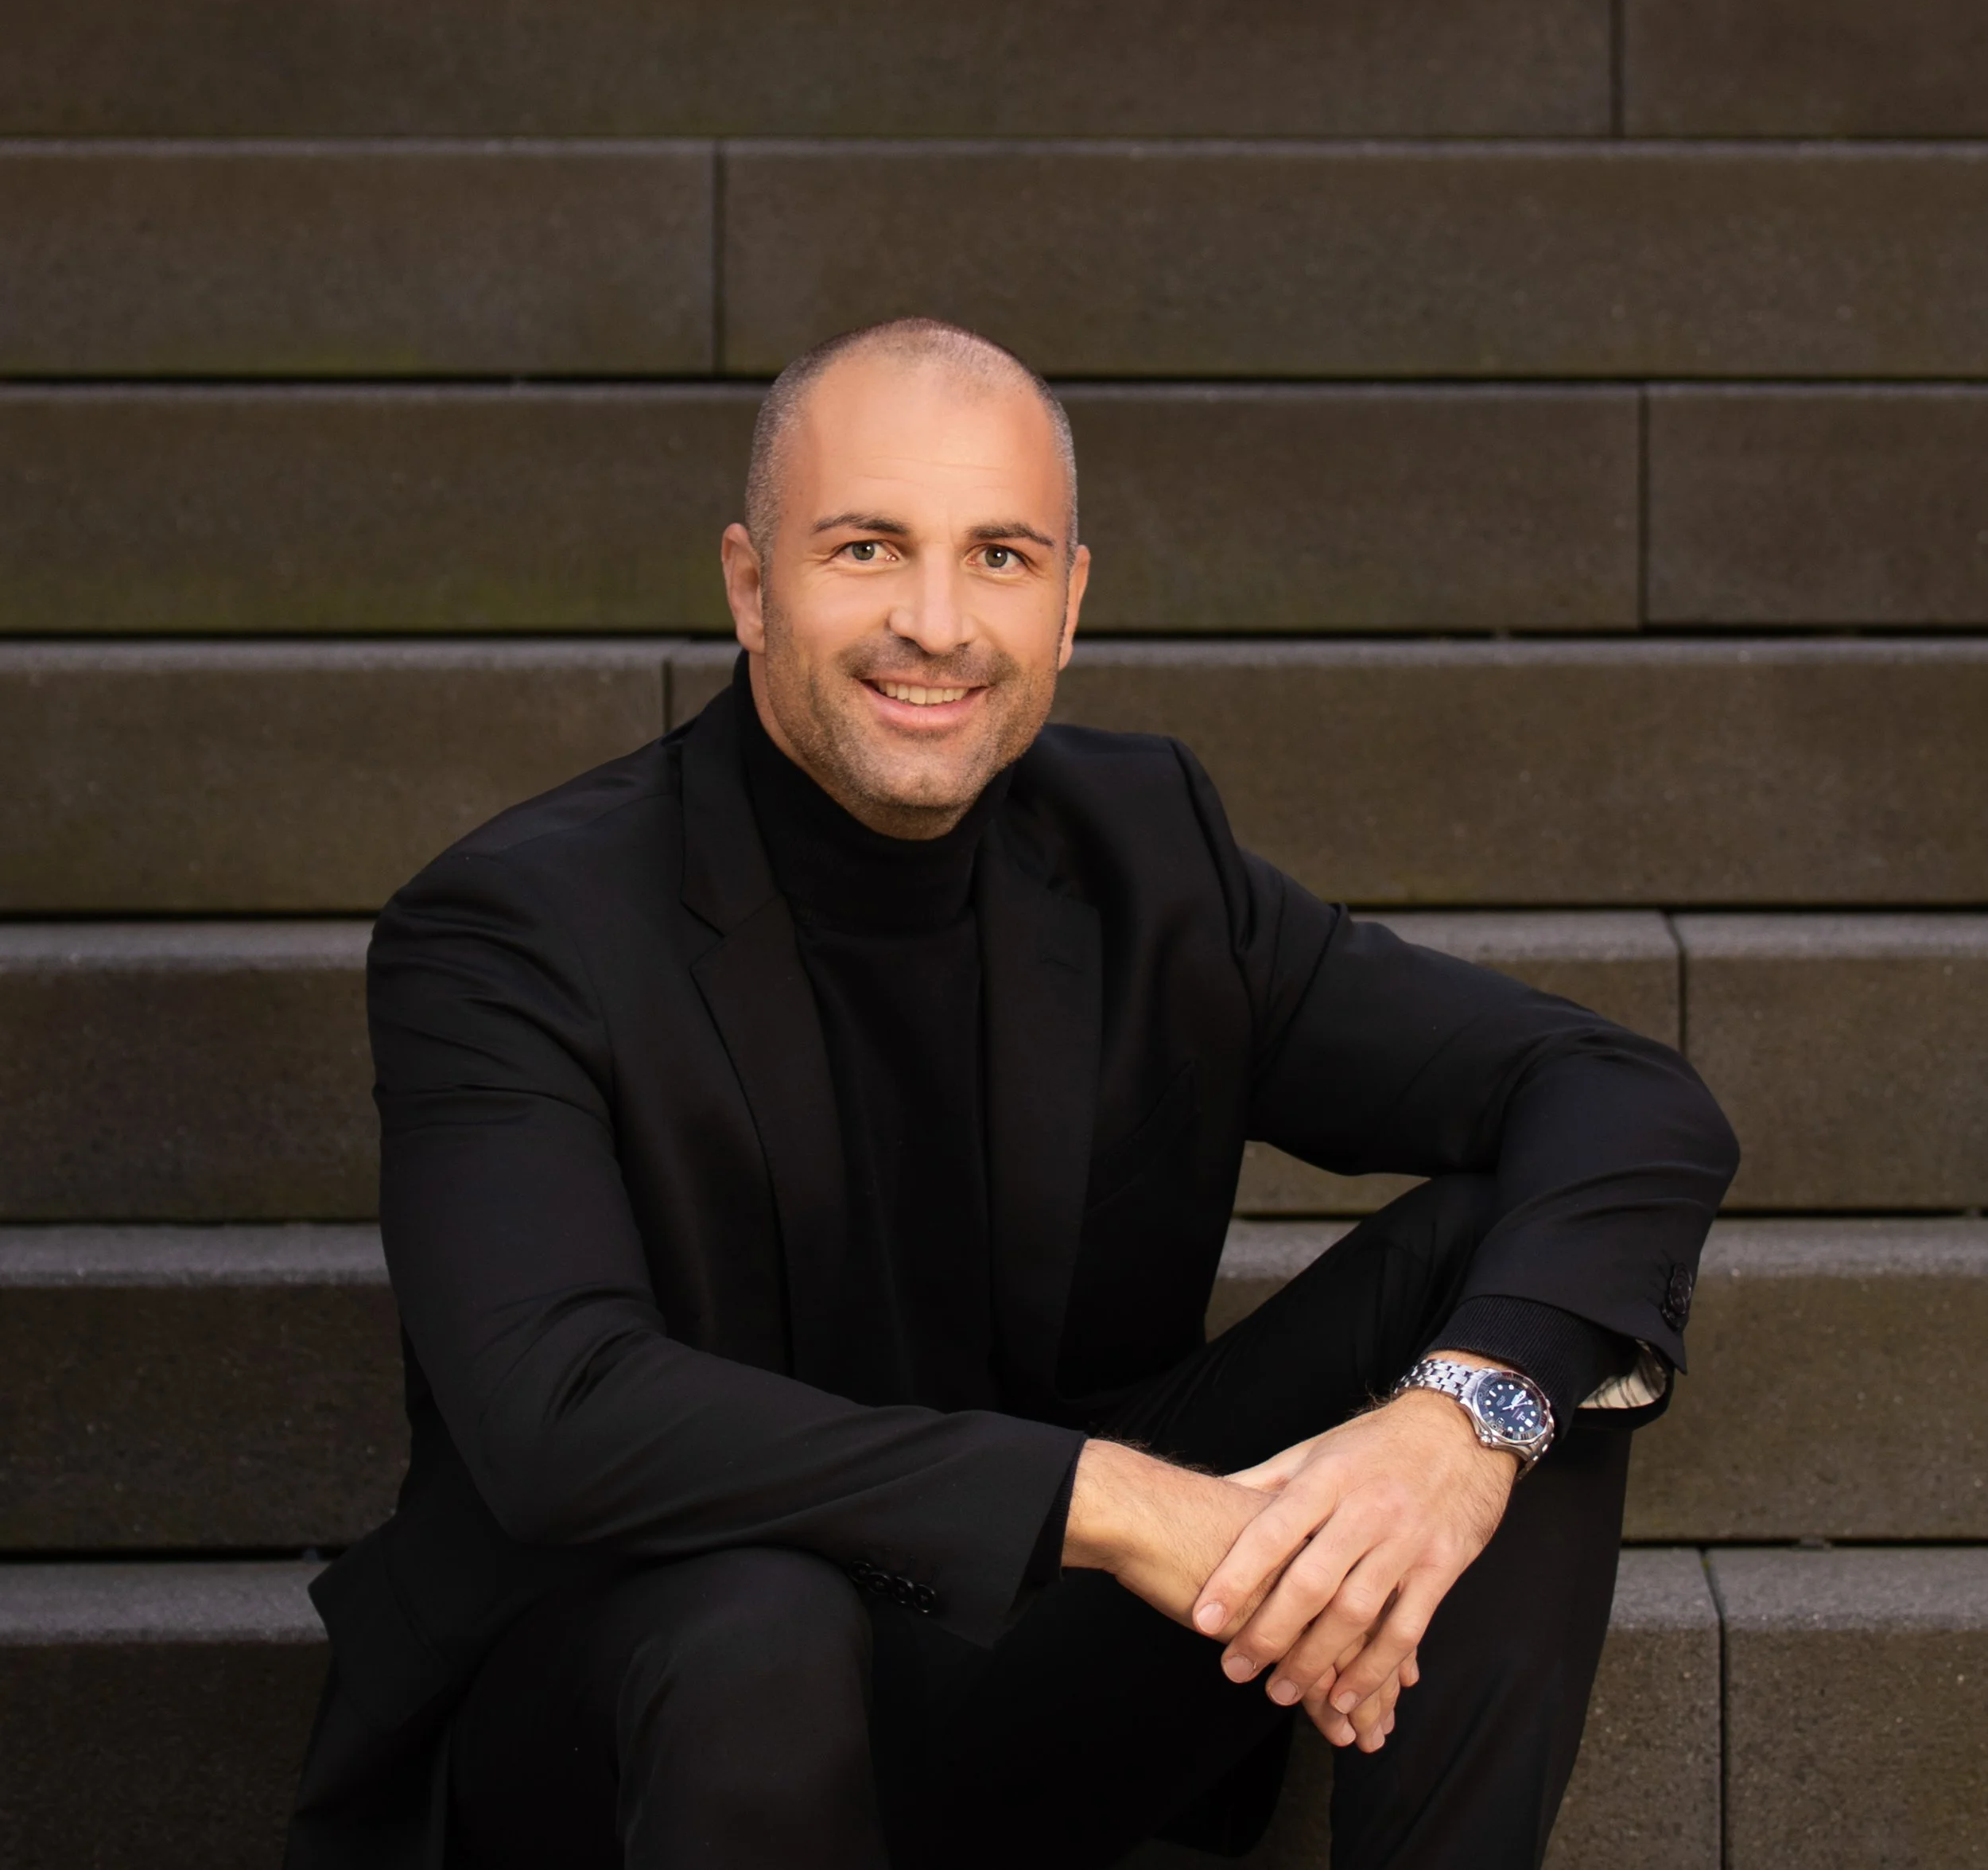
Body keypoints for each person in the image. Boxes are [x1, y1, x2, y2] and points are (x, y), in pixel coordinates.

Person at [285, 317, 1738, 1870]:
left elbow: (1615, 1094)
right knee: (757, 1614)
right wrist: (1109, 1499)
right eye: (864, 547)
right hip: (643, 1719)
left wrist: (1454, 1427)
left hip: (1027, 1681)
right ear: (746, 581)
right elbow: (559, 1409)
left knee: (1515, 1307)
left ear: (1068, 602)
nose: (935, 621)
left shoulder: (1141, 850)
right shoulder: (518, 925)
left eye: (998, 555)